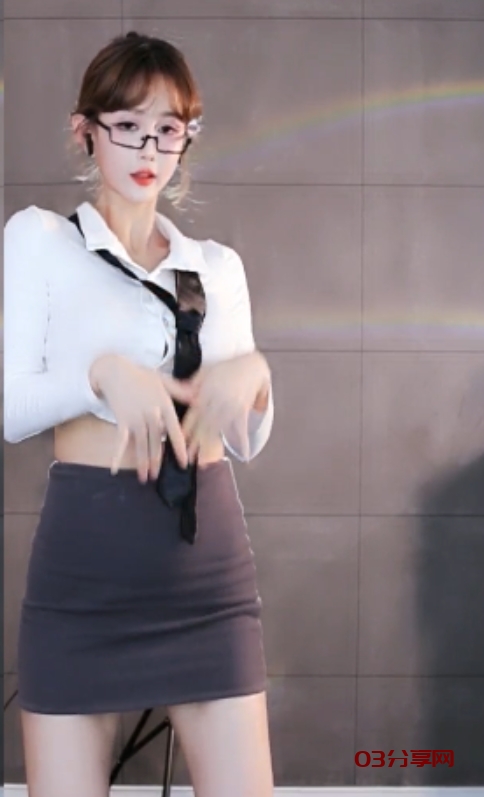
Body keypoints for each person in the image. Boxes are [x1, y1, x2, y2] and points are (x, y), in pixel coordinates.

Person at [4, 31, 274, 797]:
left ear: (188, 136)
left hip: (206, 577)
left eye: (168, 128)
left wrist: (256, 375)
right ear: (85, 130)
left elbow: (244, 439)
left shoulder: (215, 267)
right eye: (127, 125)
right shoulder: (40, 240)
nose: (149, 148)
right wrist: (99, 376)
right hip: (85, 575)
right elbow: (11, 407)